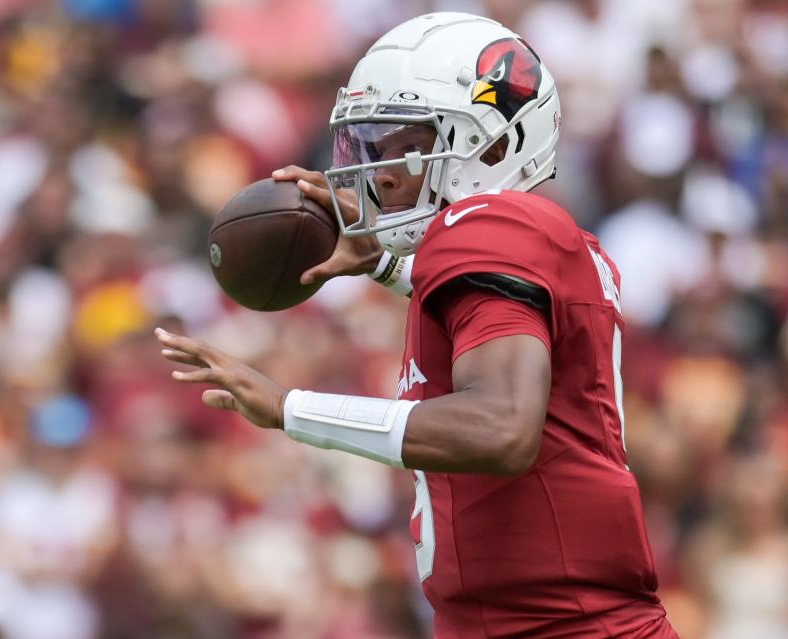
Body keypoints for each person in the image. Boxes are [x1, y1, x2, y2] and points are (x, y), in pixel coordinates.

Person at [156, 12, 678, 639]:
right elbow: (493, 319)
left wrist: (288, 407)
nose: (379, 172)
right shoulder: (528, 237)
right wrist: (384, 263)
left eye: (405, 142)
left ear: (493, 144)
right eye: (370, 145)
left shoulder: (490, 223)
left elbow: (500, 429)